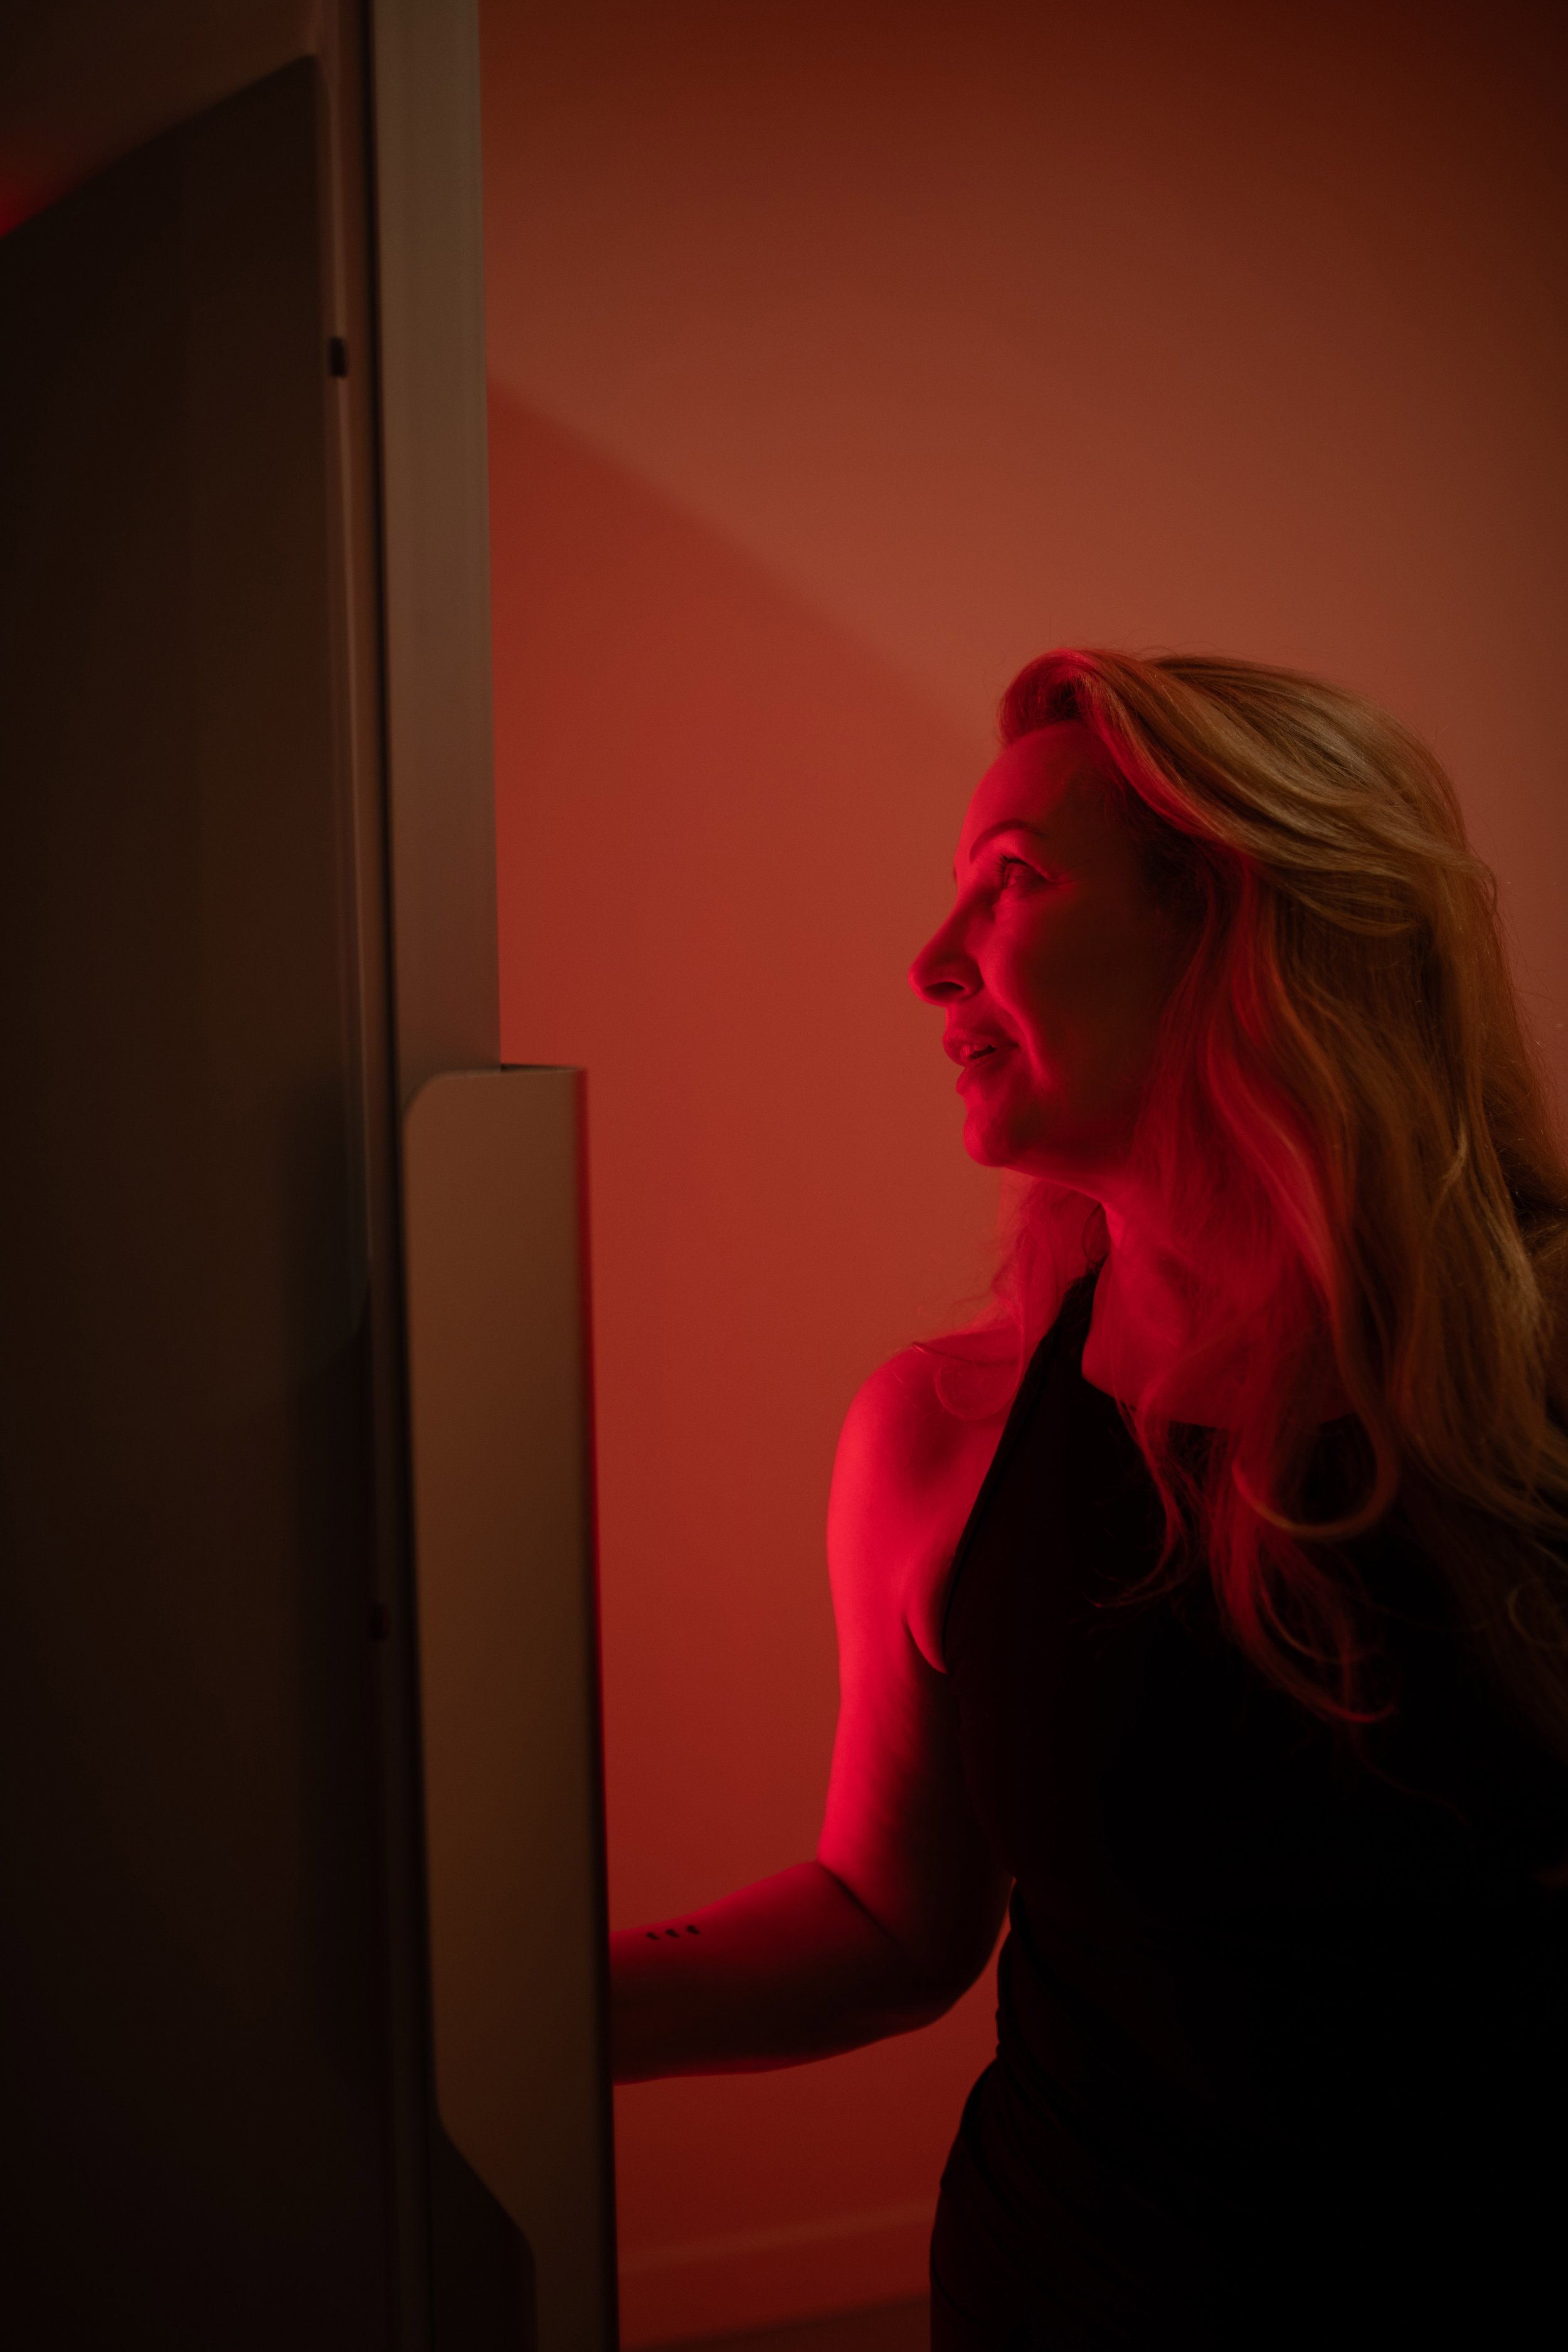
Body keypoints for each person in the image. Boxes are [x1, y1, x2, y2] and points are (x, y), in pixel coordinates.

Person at [609, 649, 1568, 2347]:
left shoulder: (1542, 1375)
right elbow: (885, 1921)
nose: (931, 962)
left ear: (1244, 928)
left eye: (1011, 881)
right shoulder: (946, 1434)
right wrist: (492, 2012)